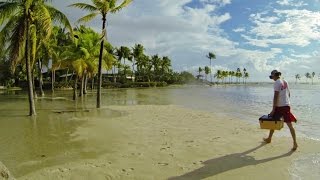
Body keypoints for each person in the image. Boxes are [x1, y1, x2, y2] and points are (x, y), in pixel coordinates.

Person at [263, 70, 298, 151]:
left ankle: (269, 138)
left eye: (272, 77)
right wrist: (287, 103)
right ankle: (295, 143)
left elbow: (276, 96)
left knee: (273, 122)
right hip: (286, 106)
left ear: (275, 75)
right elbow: (289, 93)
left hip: (279, 107)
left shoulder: (277, 83)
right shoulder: (285, 81)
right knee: (289, 126)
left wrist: (273, 109)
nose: (272, 79)